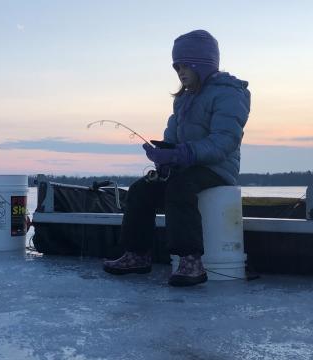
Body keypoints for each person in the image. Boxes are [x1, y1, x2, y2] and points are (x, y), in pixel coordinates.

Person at [103, 30, 251, 286]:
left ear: (202, 65)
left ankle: (190, 260)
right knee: (140, 189)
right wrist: (163, 154)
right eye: (177, 67)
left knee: (180, 187)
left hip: (217, 168)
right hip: (186, 165)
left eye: (185, 66)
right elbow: (172, 134)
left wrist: (183, 153)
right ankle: (136, 254)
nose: (180, 72)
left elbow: (225, 141)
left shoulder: (229, 93)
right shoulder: (183, 100)